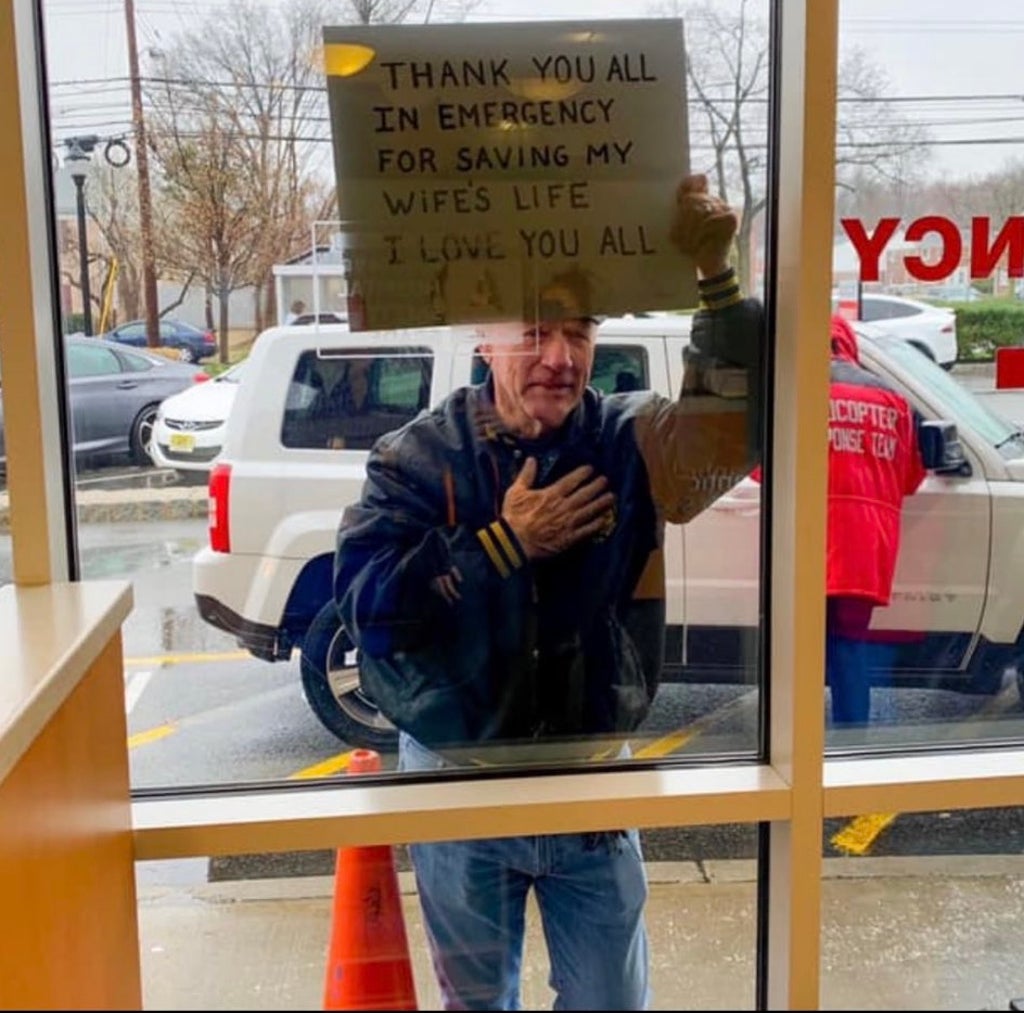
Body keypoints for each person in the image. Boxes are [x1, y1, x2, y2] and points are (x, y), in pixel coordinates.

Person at [333, 174, 763, 1011]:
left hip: (591, 781)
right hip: (459, 780)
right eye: (535, 331)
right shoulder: (414, 458)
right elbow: (370, 614)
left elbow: (730, 431)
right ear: (484, 339)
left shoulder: (630, 438)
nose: (561, 357)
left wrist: (716, 276)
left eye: (579, 330)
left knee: (611, 1000)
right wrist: (501, 546)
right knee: (478, 1002)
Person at [824, 313, 926, 726]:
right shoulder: (892, 398)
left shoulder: (792, 393)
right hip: (866, 546)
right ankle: (852, 738)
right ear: (848, 344)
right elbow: (910, 477)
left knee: (795, 650)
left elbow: (761, 471)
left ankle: (791, 744)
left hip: (805, 540)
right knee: (848, 646)